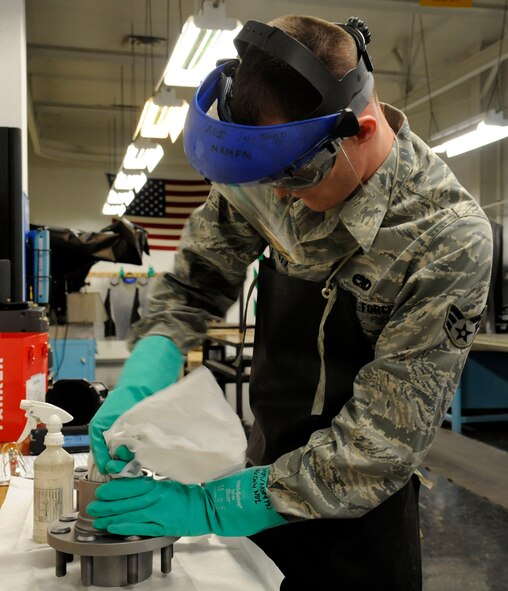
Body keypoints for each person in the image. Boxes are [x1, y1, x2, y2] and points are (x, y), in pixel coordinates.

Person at [87, 14, 493, 590]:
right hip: (259, 477)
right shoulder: (284, 166)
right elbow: (199, 277)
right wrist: (145, 368)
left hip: (360, 518)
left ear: (362, 128)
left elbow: (379, 444)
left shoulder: (445, 237)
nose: (280, 195)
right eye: (267, 176)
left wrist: (209, 507)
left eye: (296, 176)